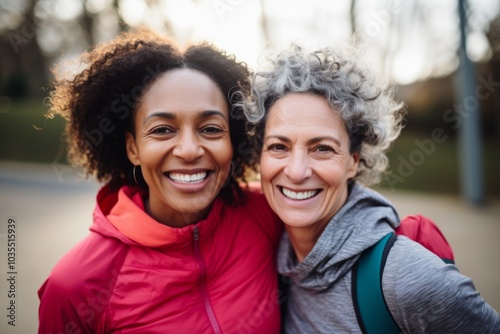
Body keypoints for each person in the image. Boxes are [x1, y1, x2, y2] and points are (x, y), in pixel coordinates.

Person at [241, 44, 500, 333]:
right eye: (279, 146)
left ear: (353, 162)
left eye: (322, 149)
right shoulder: (269, 253)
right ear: (260, 155)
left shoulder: (407, 278)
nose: (297, 171)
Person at [37, 28, 283, 333]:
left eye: (210, 128)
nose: (190, 150)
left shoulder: (269, 215)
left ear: (232, 140)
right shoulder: (76, 286)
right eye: (163, 130)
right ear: (132, 148)